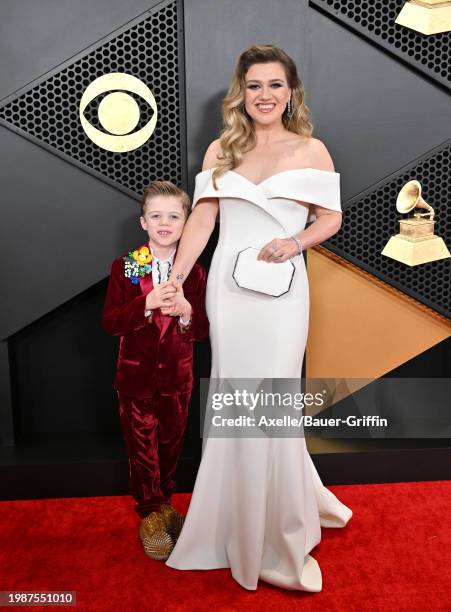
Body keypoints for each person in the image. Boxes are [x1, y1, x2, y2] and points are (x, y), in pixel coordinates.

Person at [164, 45, 352, 591]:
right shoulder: (222, 149)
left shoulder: (311, 149)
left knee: (271, 398)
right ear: (240, 93)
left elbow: (331, 218)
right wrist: (176, 277)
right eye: (254, 86)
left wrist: (294, 242)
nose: (264, 95)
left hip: (284, 292)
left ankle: (278, 528)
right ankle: (232, 520)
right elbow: (202, 219)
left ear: (290, 91)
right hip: (229, 289)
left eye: (274, 85)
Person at [102, 181, 209, 561]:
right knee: (142, 451)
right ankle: (149, 514)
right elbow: (111, 322)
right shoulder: (129, 266)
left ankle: (164, 505)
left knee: (169, 448)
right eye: (157, 216)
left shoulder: (195, 271)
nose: (165, 223)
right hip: (136, 380)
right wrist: (145, 303)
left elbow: (202, 330)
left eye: (174, 216)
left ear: (185, 224)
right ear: (144, 222)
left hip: (177, 380)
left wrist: (187, 312)